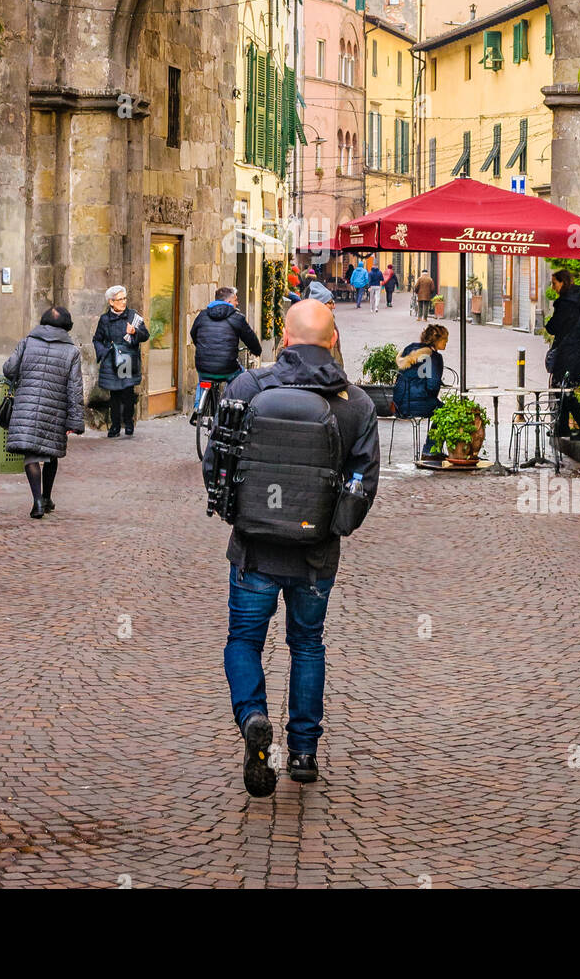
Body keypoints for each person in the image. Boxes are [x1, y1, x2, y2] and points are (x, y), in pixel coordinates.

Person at [205, 300, 379, 796]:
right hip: (315, 554)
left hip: (255, 548)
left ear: (283, 337)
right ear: (334, 338)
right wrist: (334, 528)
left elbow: (216, 462)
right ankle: (303, 752)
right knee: (306, 644)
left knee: (244, 641)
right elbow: (364, 482)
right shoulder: (356, 404)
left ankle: (253, 718)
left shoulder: (247, 387)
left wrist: (236, 515)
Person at [3, 304, 87, 517]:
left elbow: (9, 369)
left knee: (31, 455)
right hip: (55, 411)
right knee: (51, 453)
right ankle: (47, 497)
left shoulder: (27, 342)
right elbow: (75, 389)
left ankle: (38, 501)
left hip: (26, 407)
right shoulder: (71, 352)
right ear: (67, 325)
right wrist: (75, 421)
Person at [190, 286, 262, 411]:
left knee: (203, 377)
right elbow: (250, 338)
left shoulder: (202, 315)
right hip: (227, 367)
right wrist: (256, 350)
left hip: (204, 365)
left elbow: (193, 334)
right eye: (236, 300)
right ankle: (233, 406)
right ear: (228, 301)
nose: (237, 303)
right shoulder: (237, 318)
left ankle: (198, 407)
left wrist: (203, 347)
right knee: (241, 377)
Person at [545, 268, 580, 442]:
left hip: (569, 353)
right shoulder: (576, 301)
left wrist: (549, 324)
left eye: (554, 283)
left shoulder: (565, 304)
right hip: (576, 352)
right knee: (563, 389)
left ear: (562, 282)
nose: (553, 287)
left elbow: (554, 326)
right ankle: (563, 427)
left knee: (565, 390)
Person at [93, 285, 150, 438]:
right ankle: (115, 426)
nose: (123, 302)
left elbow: (145, 335)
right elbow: (97, 339)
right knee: (115, 396)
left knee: (128, 394)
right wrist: (104, 353)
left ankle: (129, 423)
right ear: (111, 302)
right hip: (112, 361)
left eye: (125, 298)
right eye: (119, 299)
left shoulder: (133, 316)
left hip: (129, 359)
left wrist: (135, 331)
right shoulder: (105, 319)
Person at [393, 324, 448, 457]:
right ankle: (431, 450)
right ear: (436, 340)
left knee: (439, 407)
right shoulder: (433, 357)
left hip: (398, 405)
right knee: (446, 412)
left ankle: (431, 450)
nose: (447, 342)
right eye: (445, 339)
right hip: (416, 405)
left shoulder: (409, 349)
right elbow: (432, 385)